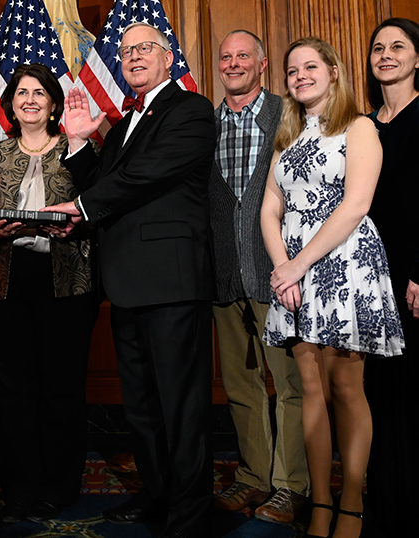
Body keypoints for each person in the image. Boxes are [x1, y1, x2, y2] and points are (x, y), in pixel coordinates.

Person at [43, 22, 216, 538]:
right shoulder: (121, 126)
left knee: (182, 406)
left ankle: (189, 516)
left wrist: (81, 203)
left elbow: (148, 174)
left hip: (172, 281)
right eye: (126, 51)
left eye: (145, 49)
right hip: (124, 282)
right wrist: (78, 143)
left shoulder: (191, 110)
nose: (134, 57)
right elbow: (103, 185)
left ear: (168, 58)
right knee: (141, 406)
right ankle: (158, 496)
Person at [260, 37, 404, 538]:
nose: (300, 76)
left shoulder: (359, 126)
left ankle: (351, 506)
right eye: (292, 70)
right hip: (296, 277)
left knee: (346, 389)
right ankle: (320, 503)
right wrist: (282, 268)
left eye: (310, 67)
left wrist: (297, 263)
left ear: (335, 71)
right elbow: (269, 209)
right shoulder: (289, 138)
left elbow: (356, 205)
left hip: (344, 267)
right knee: (312, 390)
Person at [0, 63, 94, 525]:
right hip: (4, 282)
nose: (30, 99)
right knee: (12, 390)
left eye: (39, 92)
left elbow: (99, 205)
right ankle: (18, 487)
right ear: (11, 103)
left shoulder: (77, 148)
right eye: (22, 92)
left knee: (61, 389)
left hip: (66, 280)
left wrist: (75, 224)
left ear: (54, 102)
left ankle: (57, 488)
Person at [209, 30, 310, 522]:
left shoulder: (288, 115)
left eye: (242, 55)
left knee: (290, 385)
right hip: (225, 279)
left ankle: (291, 485)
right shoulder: (205, 125)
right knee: (242, 385)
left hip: (280, 276)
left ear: (263, 64)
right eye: (226, 57)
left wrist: (296, 267)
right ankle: (253, 478)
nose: (233, 63)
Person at [364, 17, 419, 536]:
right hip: (371, 274)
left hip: (415, 271)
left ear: (417, 58)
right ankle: (386, 506)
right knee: (380, 390)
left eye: (398, 46)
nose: (386, 54)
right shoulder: (365, 124)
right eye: (378, 48)